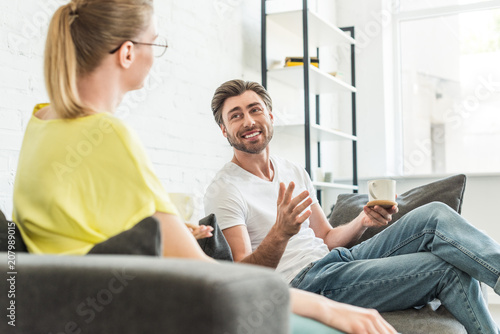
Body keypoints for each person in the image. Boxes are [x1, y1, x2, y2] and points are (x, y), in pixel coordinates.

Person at [11, 1, 396, 333]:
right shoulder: (106, 134)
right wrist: (329, 307)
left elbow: (75, 231)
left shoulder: (40, 124)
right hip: (131, 311)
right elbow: (209, 274)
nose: (155, 52)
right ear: (127, 53)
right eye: (155, 42)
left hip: (64, 303)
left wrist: (168, 231)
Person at [204, 79, 500, 334]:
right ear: (223, 130)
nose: (248, 121)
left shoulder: (293, 170)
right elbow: (243, 275)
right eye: (236, 116)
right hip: (302, 284)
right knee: (446, 269)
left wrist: (362, 221)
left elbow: (328, 238)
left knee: (434, 214)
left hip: (337, 262)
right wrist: (280, 233)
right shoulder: (225, 189)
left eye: (254, 110)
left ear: (269, 115)